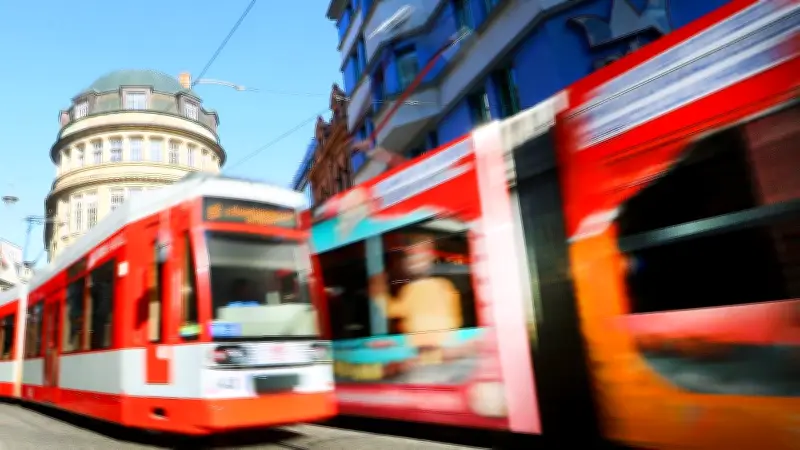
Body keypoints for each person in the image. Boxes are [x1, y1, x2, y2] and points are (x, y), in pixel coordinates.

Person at [370, 233, 463, 365]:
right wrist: (379, 293)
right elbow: (394, 310)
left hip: (439, 353)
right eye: (412, 256)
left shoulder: (443, 286)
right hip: (423, 354)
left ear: (430, 258)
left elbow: (453, 320)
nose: (416, 260)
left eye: (421, 255)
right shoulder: (410, 290)